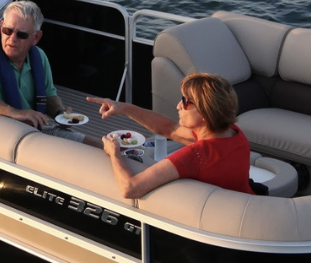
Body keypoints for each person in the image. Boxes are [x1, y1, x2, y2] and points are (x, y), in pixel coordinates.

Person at [88, 73, 252, 199]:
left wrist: (114, 153)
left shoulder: (196, 155)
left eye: (186, 102)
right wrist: (123, 108)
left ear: (205, 112)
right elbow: (170, 129)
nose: (179, 105)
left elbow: (130, 188)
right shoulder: (234, 134)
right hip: (246, 202)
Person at [0, 0, 70, 132]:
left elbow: (48, 95)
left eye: (22, 34)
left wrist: (60, 113)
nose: (12, 39)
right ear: (1, 28)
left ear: (36, 37)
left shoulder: (39, 57)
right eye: (8, 30)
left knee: (97, 146)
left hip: (38, 128)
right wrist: (16, 113)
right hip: (7, 132)